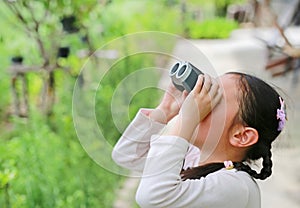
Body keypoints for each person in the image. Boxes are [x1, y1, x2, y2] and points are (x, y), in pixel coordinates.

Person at [112, 72, 287, 208]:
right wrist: (165, 110)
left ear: (241, 136)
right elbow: (127, 155)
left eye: (215, 100)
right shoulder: (193, 157)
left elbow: (151, 197)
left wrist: (185, 121)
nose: (199, 103)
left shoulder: (238, 186)